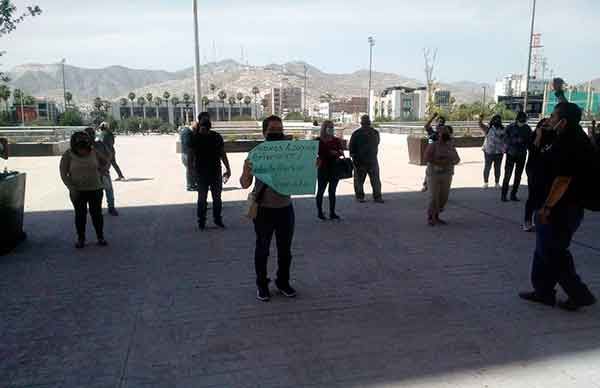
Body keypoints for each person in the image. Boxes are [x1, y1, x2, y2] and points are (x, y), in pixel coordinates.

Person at [519, 102, 597, 311]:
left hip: (560, 209)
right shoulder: (563, 137)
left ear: (562, 121)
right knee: (544, 251)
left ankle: (579, 294)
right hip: (556, 206)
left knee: (554, 253)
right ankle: (543, 291)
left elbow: (563, 179)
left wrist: (547, 207)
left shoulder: (571, 143)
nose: (549, 119)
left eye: (553, 116)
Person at [240, 115, 297, 302]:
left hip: (285, 208)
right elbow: (244, 184)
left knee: (285, 250)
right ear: (264, 132)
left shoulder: (291, 153)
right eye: (272, 130)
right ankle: (262, 285)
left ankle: (282, 282)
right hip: (264, 210)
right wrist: (247, 172)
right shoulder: (255, 154)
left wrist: (312, 167)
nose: (277, 133)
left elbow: (301, 172)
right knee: (262, 249)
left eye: (279, 130)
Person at [59, 132, 108, 248]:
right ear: (74, 146)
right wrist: (71, 187)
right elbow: (63, 173)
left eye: (85, 147)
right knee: (80, 215)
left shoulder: (94, 152)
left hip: (95, 189)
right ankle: (81, 239)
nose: (83, 151)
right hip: (77, 191)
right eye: (80, 148)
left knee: (96, 214)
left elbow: (105, 161)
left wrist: (102, 170)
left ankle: (100, 237)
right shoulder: (68, 155)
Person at [188, 112, 231, 230]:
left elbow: (222, 153)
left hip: (212, 172)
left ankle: (212, 220)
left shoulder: (212, 137)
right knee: (207, 198)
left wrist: (228, 168)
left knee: (212, 198)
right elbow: (190, 156)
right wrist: (191, 171)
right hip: (205, 172)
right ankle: (207, 220)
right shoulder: (196, 137)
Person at [424, 125, 460, 226]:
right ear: (438, 134)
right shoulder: (433, 145)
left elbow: (457, 159)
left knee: (443, 197)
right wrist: (438, 162)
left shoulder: (450, 146)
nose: (445, 135)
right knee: (433, 196)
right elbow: (426, 157)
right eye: (443, 133)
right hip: (433, 174)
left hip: (447, 174)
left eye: (447, 133)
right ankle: (431, 217)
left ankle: (437, 215)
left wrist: (449, 161)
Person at [522, 119, 553, 232]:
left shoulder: (553, 136)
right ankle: (527, 221)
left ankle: (539, 219)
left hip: (547, 170)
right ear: (539, 126)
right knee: (533, 195)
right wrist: (539, 136)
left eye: (548, 125)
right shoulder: (534, 136)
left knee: (545, 196)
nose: (546, 127)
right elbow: (533, 150)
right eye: (543, 125)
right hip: (533, 169)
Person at [349, 115, 383, 203]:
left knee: (360, 181)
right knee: (374, 180)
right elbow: (377, 143)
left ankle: (360, 196)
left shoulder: (356, 133)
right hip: (369, 160)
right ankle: (377, 196)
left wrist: (353, 156)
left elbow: (351, 147)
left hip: (363, 160)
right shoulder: (374, 132)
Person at [85, 127, 119, 216]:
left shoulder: (100, 144)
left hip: (103, 172)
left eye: (91, 134)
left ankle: (111, 208)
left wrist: (106, 167)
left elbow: (109, 155)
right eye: (88, 135)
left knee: (108, 190)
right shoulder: (83, 148)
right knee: (93, 193)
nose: (90, 136)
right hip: (92, 174)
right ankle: (95, 209)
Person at [316, 120, 344, 220]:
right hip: (322, 169)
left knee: (332, 192)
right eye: (329, 127)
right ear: (324, 128)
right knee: (320, 191)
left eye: (332, 127)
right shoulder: (318, 140)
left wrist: (338, 152)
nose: (331, 129)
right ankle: (319, 212)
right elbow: (313, 154)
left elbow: (341, 151)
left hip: (334, 169)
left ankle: (332, 212)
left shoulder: (336, 140)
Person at [501, 111, 532, 202]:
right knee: (507, 175)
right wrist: (514, 140)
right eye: (521, 119)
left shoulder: (527, 128)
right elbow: (504, 138)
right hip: (511, 154)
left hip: (522, 154)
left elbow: (530, 140)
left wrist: (524, 142)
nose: (522, 121)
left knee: (518, 176)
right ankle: (504, 195)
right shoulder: (510, 127)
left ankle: (513, 195)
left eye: (524, 119)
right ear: (517, 119)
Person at [421, 113, 447, 192]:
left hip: (440, 155)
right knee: (429, 170)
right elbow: (426, 125)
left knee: (441, 172)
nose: (440, 123)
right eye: (438, 122)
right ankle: (426, 185)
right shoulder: (432, 132)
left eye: (441, 122)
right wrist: (432, 117)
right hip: (431, 156)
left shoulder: (444, 134)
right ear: (436, 123)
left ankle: (440, 186)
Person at [479, 114, 505, 189]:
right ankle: (486, 183)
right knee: (487, 167)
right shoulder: (488, 128)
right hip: (488, 152)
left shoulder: (503, 129)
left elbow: (505, 139)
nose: (497, 121)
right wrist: (480, 119)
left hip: (499, 152)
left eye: (498, 119)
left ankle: (497, 183)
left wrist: (504, 148)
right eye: (495, 119)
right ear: (492, 120)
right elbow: (481, 125)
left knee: (497, 168)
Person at [180, 124, 197, 191]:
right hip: (188, 154)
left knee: (191, 170)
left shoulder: (184, 131)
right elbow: (189, 144)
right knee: (190, 170)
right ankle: (190, 186)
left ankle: (192, 184)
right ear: (194, 128)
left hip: (185, 154)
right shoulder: (188, 133)